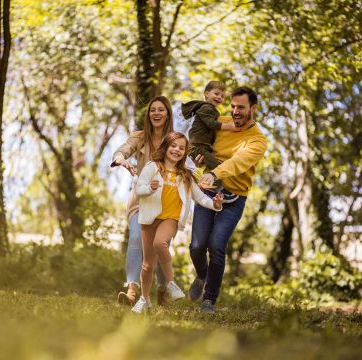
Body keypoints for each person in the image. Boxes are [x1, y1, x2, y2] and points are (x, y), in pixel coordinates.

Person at [188, 86, 267, 313]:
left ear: (253, 108)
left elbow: (238, 162)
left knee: (216, 246)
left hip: (234, 197)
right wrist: (199, 157)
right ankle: (202, 276)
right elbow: (200, 143)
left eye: (240, 107)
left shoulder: (258, 140)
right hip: (208, 190)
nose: (235, 111)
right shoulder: (220, 122)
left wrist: (214, 173)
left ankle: (209, 300)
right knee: (196, 246)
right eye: (232, 106)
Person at [131, 132, 224, 314]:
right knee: (147, 265)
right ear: (166, 146)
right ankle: (144, 299)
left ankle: (171, 283)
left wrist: (214, 204)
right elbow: (139, 188)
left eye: (182, 148)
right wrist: (150, 188)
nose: (177, 150)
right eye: (174, 146)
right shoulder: (152, 167)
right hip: (150, 218)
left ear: (185, 152)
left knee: (160, 243)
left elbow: (200, 197)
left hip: (171, 219)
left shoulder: (186, 175)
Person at [111, 96, 174, 306]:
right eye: (152, 110)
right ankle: (131, 291)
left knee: (160, 245)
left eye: (161, 110)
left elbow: (188, 164)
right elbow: (122, 150)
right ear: (149, 115)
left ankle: (163, 288)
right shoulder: (139, 137)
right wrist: (121, 159)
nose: (156, 113)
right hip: (142, 197)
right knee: (137, 239)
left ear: (167, 115)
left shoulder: (174, 140)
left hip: (166, 200)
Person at [181, 80, 237, 189]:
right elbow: (211, 124)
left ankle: (207, 187)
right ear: (206, 94)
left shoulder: (211, 110)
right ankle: (215, 190)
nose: (219, 97)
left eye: (222, 96)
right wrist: (230, 126)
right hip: (197, 148)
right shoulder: (206, 108)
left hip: (201, 147)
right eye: (216, 94)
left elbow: (209, 131)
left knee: (213, 167)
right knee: (218, 168)